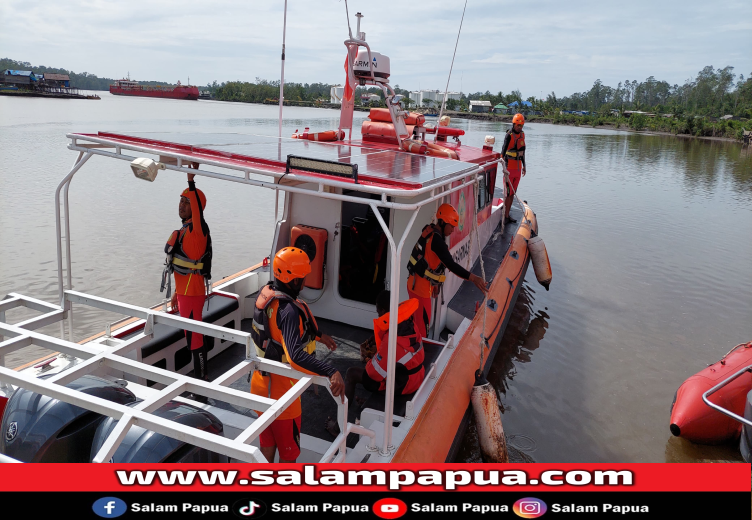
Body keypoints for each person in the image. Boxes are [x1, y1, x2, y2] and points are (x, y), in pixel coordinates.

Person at [249, 247, 345, 462]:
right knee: (289, 455)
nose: (304, 283)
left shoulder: (269, 295)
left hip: (260, 387)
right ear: (293, 280)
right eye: (302, 278)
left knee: (267, 447)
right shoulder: (289, 311)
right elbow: (295, 356)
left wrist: (319, 336)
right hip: (283, 397)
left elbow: (276, 334)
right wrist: (331, 371)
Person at [327, 291, 425, 436]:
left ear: (383, 311)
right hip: (416, 377)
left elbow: (373, 374)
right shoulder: (410, 323)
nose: (378, 315)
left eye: (378, 311)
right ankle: (369, 400)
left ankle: (338, 426)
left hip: (403, 385)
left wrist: (371, 359)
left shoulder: (391, 341)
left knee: (352, 374)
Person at [161, 168, 213, 399]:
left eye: (186, 202)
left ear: (196, 207)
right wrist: (176, 295)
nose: (181, 205)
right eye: (180, 201)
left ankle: (201, 386)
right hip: (184, 294)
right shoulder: (184, 230)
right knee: (190, 336)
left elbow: (196, 206)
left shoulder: (197, 230)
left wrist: (190, 181)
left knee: (195, 339)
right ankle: (199, 382)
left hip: (193, 294)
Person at [406, 203, 488, 333]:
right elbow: (451, 265)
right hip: (420, 290)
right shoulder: (437, 242)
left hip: (415, 283)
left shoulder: (430, 231)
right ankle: (419, 351)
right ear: (443, 222)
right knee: (422, 330)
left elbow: (427, 259)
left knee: (418, 323)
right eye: (451, 226)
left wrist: (435, 285)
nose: (453, 230)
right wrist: (473, 278)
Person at [501, 113, 526, 223]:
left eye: (521, 126)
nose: (519, 128)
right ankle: (504, 215)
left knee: (513, 193)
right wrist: (504, 168)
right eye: (518, 125)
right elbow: (502, 153)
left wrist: (524, 166)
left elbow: (522, 152)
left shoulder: (522, 135)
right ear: (514, 124)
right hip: (509, 168)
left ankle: (507, 214)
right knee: (507, 193)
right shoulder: (509, 135)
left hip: (518, 168)